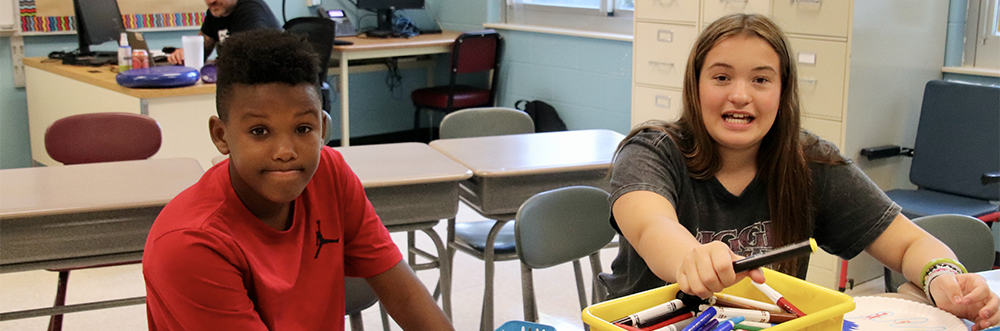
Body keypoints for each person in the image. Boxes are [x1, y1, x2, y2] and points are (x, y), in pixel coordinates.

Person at [603, 13, 1000, 331]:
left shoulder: (811, 162)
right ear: (696, 86)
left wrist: (943, 278)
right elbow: (651, 227)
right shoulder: (651, 152)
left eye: (761, 79)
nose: (740, 95)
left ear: (782, 91)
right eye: (721, 77)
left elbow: (911, 244)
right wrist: (692, 257)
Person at [143, 29, 454, 331]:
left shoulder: (329, 174)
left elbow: (402, 290)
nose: (285, 151)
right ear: (221, 136)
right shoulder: (190, 244)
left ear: (321, 127)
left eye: (303, 128)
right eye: (259, 131)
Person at [166, 0, 280, 65]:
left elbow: (250, 60)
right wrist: (185, 54)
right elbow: (203, 46)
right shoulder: (216, 12)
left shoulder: (251, 11)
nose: (210, 1)